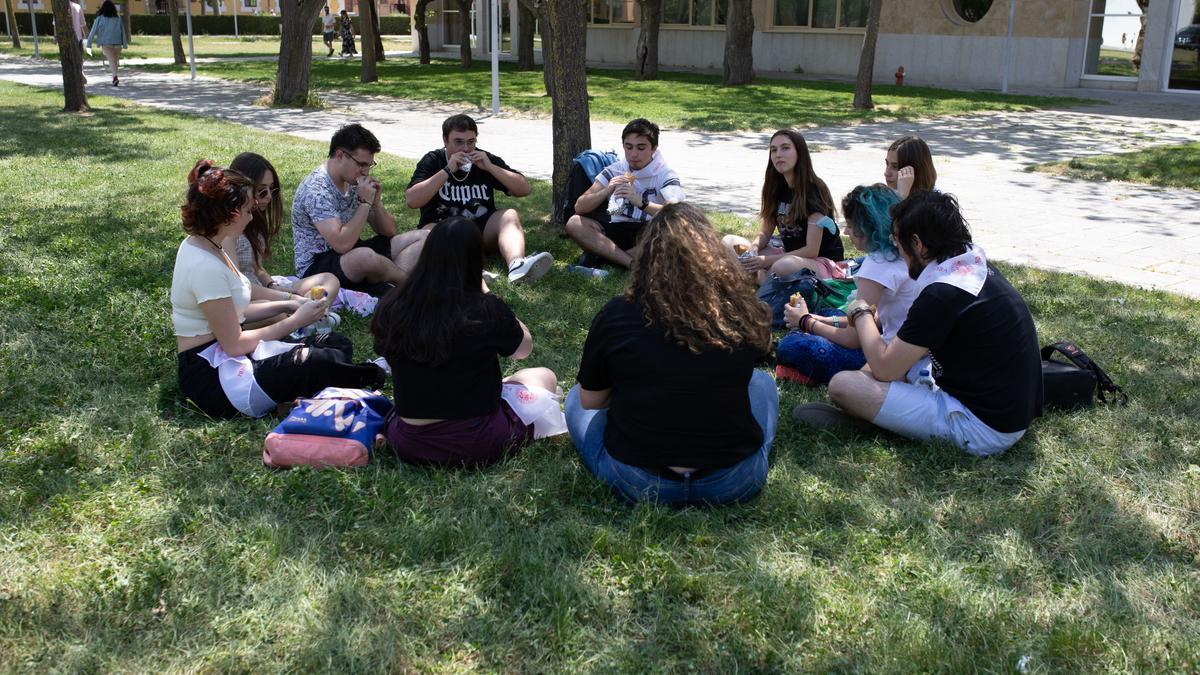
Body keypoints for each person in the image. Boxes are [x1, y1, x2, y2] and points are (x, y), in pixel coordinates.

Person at [793, 191, 1043, 457]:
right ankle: (881, 415)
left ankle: (876, 423)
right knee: (877, 369)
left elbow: (885, 368)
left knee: (844, 385)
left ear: (918, 244)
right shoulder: (970, 265)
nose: (896, 248)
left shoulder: (943, 293)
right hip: (1009, 412)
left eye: (897, 240)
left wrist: (861, 312)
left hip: (981, 427)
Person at [567, 203, 779, 505]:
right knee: (762, 383)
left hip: (638, 480)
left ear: (647, 256)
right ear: (712, 257)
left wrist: (640, 386)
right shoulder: (739, 311)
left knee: (576, 397)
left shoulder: (617, 313)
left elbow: (591, 400)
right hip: (732, 480)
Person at [173, 160, 386, 419]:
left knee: (333, 342)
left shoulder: (211, 244)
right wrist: (296, 320)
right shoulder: (205, 265)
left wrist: (289, 304)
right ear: (230, 215)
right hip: (211, 375)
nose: (253, 215)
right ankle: (371, 372)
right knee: (318, 361)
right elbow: (234, 344)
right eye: (248, 210)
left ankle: (297, 395)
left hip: (228, 355)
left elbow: (236, 312)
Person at [372, 217, 564, 467]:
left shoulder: (393, 305)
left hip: (408, 441)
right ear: (477, 260)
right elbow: (523, 349)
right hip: (478, 441)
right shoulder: (485, 309)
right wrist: (487, 294)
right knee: (544, 376)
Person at [778, 184, 919, 384]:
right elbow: (877, 317)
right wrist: (816, 319)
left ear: (868, 228)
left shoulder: (877, 265)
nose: (846, 232)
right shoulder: (903, 253)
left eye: (851, 226)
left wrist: (805, 322)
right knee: (828, 314)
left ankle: (806, 371)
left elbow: (853, 339)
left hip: (886, 356)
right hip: (904, 346)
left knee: (791, 345)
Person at [405, 114, 553, 284]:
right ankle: (469, 271)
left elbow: (524, 189)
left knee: (509, 214)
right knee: (430, 230)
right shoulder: (433, 160)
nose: (466, 148)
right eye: (458, 142)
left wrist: (490, 168)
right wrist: (447, 170)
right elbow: (412, 200)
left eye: (471, 141)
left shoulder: (483, 159)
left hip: (480, 230)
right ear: (445, 141)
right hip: (444, 230)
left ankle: (517, 266)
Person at [292, 123, 427, 296]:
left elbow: (388, 231)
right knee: (366, 257)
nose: (365, 171)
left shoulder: (353, 181)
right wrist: (364, 203)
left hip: (352, 253)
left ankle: (392, 284)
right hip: (317, 267)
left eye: (369, 165)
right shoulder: (317, 190)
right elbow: (341, 244)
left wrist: (375, 203)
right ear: (340, 155)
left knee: (425, 237)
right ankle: (411, 287)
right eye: (361, 164)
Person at [724, 129, 844, 283]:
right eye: (773, 150)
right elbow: (765, 233)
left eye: (785, 148)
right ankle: (759, 277)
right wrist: (754, 247)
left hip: (822, 263)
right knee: (729, 242)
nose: (778, 154)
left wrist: (766, 261)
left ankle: (758, 278)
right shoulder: (775, 187)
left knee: (782, 266)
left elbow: (811, 250)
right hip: (788, 252)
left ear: (799, 152)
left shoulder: (814, 190)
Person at [225, 152, 341, 311]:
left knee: (330, 279)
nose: (269, 198)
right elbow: (238, 287)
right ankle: (306, 311)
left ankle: (308, 309)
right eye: (261, 191)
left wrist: (273, 285)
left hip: (264, 290)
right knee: (269, 310)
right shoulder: (229, 232)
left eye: (271, 190)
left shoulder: (254, 224)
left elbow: (257, 268)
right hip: (245, 299)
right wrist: (288, 298)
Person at [564, 118, 685, 269]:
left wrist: (641, 202)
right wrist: (606, 190)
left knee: (674, 231)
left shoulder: (666, 174)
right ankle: (631, 263)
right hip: (616, 228)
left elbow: (678, 214)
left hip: (649, 230)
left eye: (641, 148)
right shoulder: (615, 170)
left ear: (653, 149)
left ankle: (608, 257)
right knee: (574, 223)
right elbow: (580, 206)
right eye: (629, 147)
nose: (633, 154)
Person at [86, 0, 126, 87]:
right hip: (118, 43)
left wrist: (88, 45)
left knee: (112, 61)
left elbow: (92, 32)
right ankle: (115, 77)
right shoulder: (118, 18)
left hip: (106, 43)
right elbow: (122, 31)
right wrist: (125, 44)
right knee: (115, 61)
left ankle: (115, 77)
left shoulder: (99, 19)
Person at [884, 135, 938, 199]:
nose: (886, 173)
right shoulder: (884, 199)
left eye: (895, 166)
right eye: (887, 164)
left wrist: (902, 196)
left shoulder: (936, 204)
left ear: (916, 170)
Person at [69, 0, 88, 84]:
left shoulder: (60, 8)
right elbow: (83, 24)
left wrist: (55, 37)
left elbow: (55, 23)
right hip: (78, 37)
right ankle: (80, 71)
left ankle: (74, 75)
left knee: (68, 58)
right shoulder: (77, 7)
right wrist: (87, 36)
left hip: (66, 38)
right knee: (79, 57)